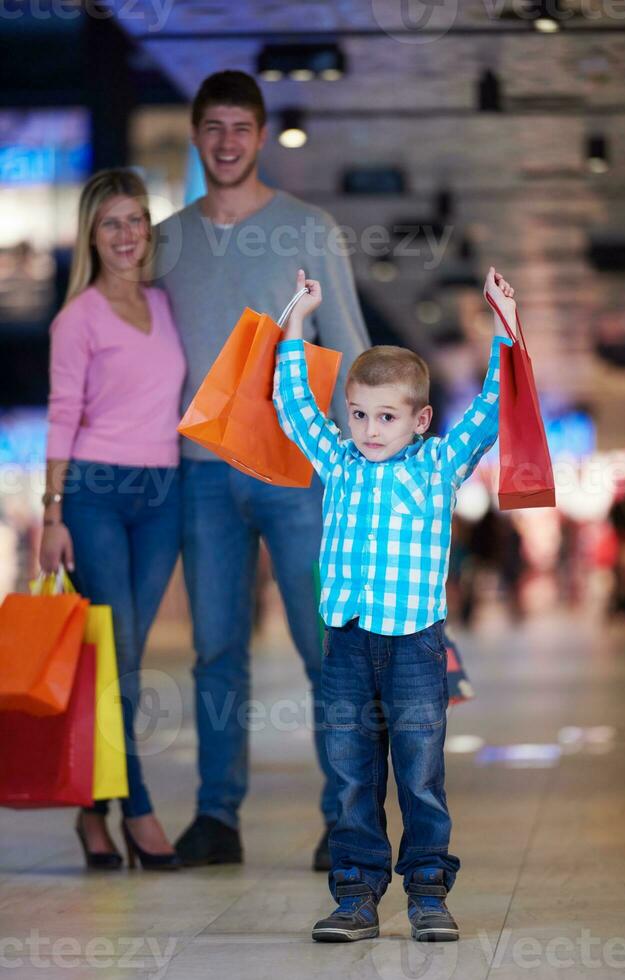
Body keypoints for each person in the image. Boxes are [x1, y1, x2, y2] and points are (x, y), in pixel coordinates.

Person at [154, 70, 370, 870]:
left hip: (296, 471)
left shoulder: (309, 227)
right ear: (196, 134)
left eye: (241, 127)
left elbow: (343, 342)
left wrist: (358, 461)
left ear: (261, 132)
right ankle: (217, 817)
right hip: (201, 472)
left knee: (325, 645)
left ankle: (346, 817)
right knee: (215, 651)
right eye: (213, 127)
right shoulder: (168, 240)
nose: (227, 142)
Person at [273, 265, 516, 942]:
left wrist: (501, 328)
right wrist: (297, 321)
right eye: (358, 414)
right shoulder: (339, 460)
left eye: (386, 417)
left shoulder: (438, 464)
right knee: (352, 772)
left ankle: (429, 890)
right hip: (346, 643)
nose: (370, 429)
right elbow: (293, 407)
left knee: (421, 773)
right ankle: (355, 894)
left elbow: (494, 409)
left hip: (415, 644)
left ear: (420, 419)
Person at [40, 169, 186, 871]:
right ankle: (138, 808)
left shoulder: (165, 303)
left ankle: (91, 813)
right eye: (111, 224)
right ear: (91, 235)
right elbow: (62, 415)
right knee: (119, 656)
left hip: (164, 493)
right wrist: (52, 513)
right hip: (95, 492)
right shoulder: (78, 319)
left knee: (120, 660)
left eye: (136, 221)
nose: (126, 235)